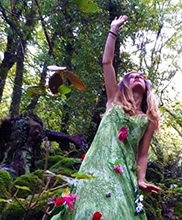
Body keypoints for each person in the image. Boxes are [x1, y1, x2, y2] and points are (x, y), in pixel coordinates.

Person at [50, 15, 161, 220]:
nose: (136, 77)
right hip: (95, 164)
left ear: (147, 87)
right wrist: (113, 30)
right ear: (124, 84)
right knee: (87, 208)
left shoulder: (149, 120)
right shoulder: (114, 100)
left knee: (116, 211)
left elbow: (143, 154)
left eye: (141, 77)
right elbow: (106, 62)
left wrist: (142, 179)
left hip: (123, 171)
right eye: (130, 75)